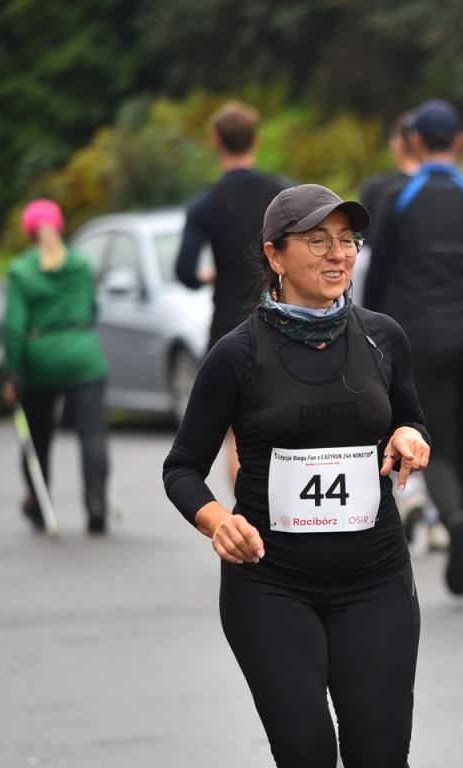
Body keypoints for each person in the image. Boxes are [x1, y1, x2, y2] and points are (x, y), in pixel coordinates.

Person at [161, 185, 433, 768]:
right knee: (307, 754)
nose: (337, 253)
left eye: (348, 238)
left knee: (379, 757)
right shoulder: (236, 356)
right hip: (268, 582)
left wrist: (411, 436)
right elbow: (182, 467)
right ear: (273, 256)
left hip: (375, 578)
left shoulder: (382, 338)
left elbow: (409, 419)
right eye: (316, 240)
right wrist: (215, 518)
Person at [364, 99, 463, 596]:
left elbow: (377, 275)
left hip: (422, 340)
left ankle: (454, 517)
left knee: (437, 444)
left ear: (414, 142)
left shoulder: (399, 198)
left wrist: (372, 342)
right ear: (458, 141)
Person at [175, 101, 290, 484]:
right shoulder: (281, 194)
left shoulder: (204, 205)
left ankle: (249, 519)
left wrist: (211, 276)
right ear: (256, 141)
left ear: (215, 142)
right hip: (283, 317)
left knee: (238, 435)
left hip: (228, 323)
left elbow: (183, 271)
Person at [1, 198, 111, 534]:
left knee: (38, 435)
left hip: (40, 359)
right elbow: (93, 309)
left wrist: (11, 371)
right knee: (92, 435)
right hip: (84, 356)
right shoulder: (80, 265)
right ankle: (96, 504)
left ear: (28, 231)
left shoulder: (21, 270)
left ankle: (38, 501)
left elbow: (14, 327)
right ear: (60, 226)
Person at [352, 111, 422, 308]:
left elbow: (362, 257)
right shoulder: (446, 189)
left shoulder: (376, 189)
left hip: (389, 303)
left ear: (398, 143)